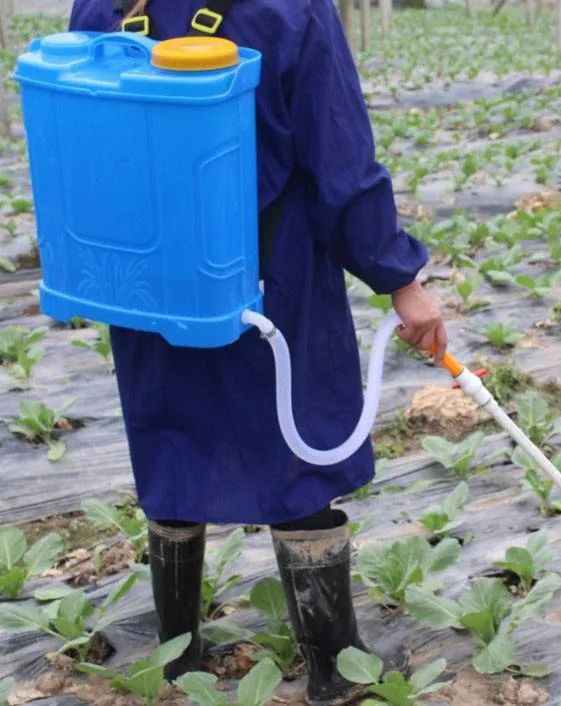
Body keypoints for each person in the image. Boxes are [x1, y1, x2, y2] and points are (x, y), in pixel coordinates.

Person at [67, 1, 448, 704]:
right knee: (296, 446)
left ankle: (178, 656)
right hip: (273, 271)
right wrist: (398, 277)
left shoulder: (104, 4)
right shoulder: (291, 7)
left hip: (147, 273)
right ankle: (334, 665)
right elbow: (341, 160)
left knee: (171, 437)